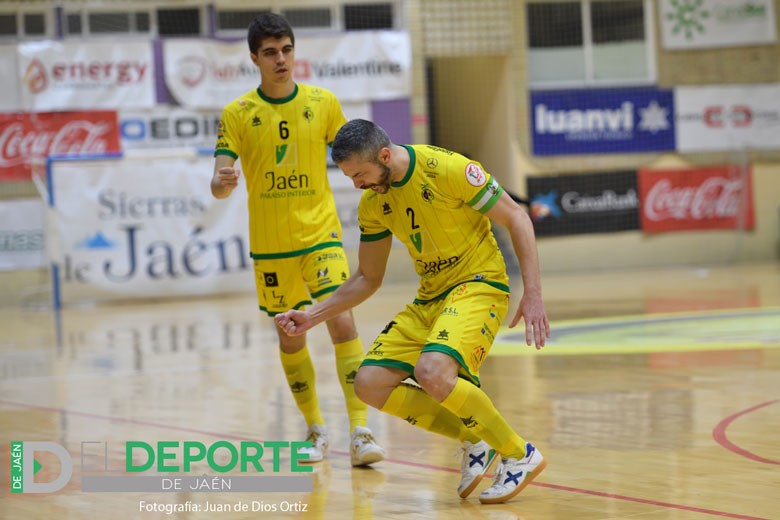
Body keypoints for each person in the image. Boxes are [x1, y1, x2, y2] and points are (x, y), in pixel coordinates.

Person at [275, 119, 551, 504]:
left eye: (361, 174)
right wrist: (313, 314)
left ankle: (519, 454)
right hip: (431, 299)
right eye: (350, 177)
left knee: (432, 372)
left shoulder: (449, 169)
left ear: (384, 156)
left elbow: (517, 217)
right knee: (369, 383)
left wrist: (533, 293)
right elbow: (368, 278)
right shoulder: (374, 204)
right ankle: (473, 436)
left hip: (479, 284)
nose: (357, 184)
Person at [210, 14, 384, 467]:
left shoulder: (323, 102)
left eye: (286, 49)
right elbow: (218, 182)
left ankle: (361, 431)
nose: (280, 58)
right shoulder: (238, 113)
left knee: (341, 323)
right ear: (254, 58)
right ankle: (315, 428)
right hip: (271, 247)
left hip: (320, 234)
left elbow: (353, 153)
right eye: (270, 52)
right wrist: (223, 181)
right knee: (290, 335)